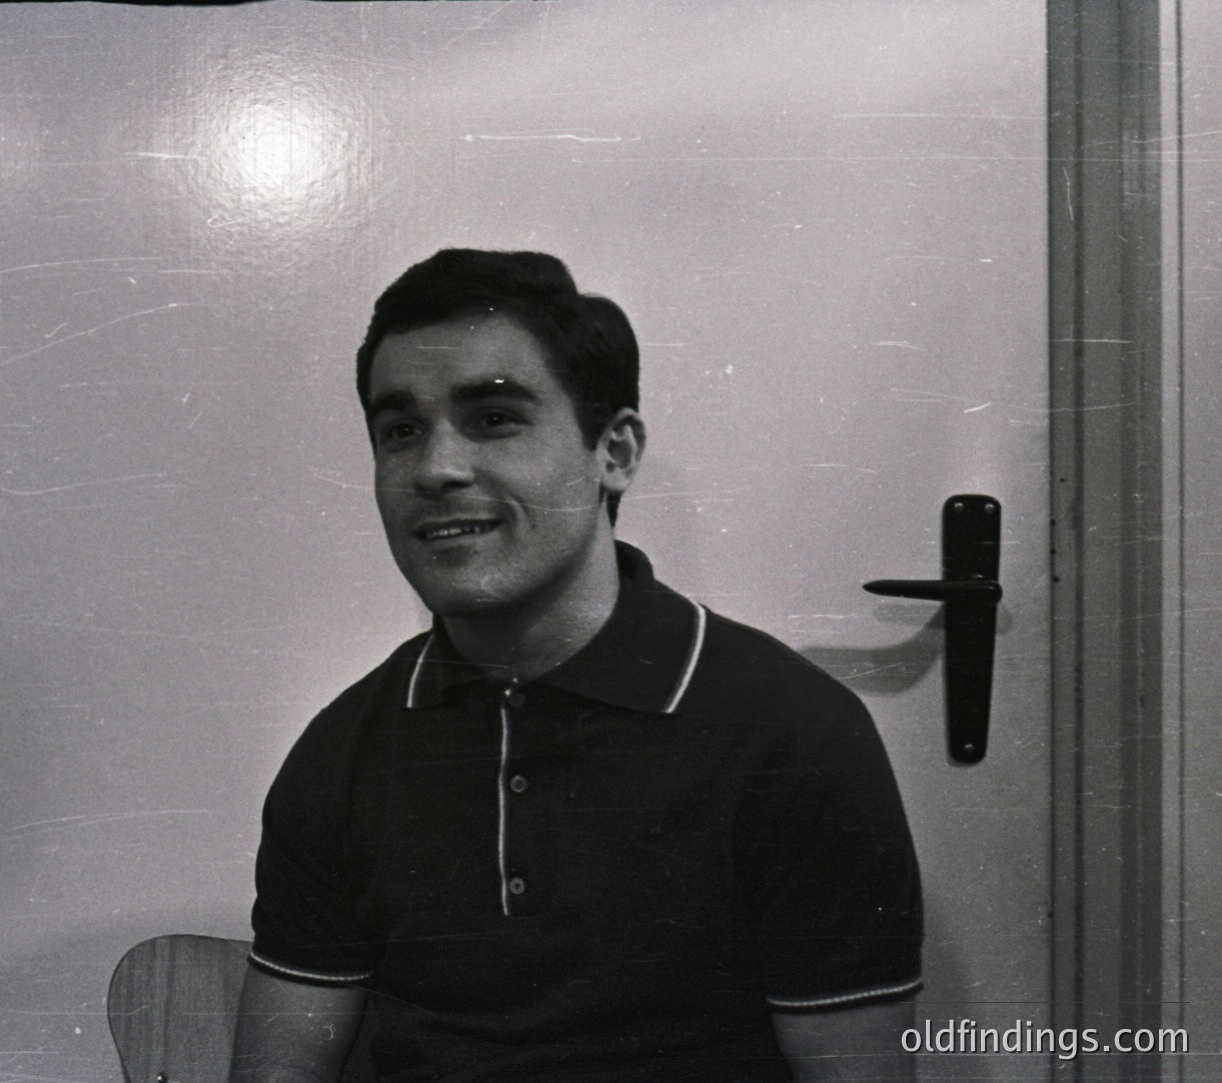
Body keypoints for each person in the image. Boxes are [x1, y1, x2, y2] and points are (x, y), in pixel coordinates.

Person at [231, 249, 922, 1081]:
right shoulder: (340, 751)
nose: (437, 468)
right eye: (400, 429)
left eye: (493, 418)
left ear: (615, 451)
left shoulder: (795, 734)